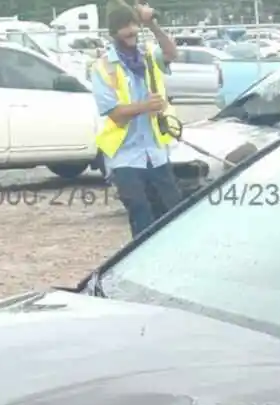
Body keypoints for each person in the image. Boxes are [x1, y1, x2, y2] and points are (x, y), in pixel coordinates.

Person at [90, 3, 182, 239]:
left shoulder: (149, 55)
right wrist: (145, 107)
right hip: (125, 158)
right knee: (141, 217)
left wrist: (152, 23)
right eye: (123, 27)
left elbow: (172, 54)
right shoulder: (103, 67)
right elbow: (115, 113)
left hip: (156, 153)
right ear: (112, 33)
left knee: (174, 215)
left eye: (133, 24)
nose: (130, 31)